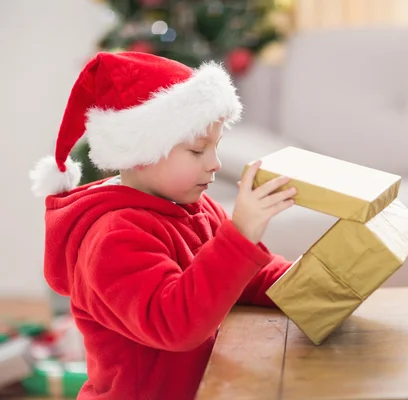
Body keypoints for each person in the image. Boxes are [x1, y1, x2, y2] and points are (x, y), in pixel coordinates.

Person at [29, 51, 296, 400]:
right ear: (140, 153)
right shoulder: (113, 238)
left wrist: (311, 286)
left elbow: (251, 278)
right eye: (198, 150)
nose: (215, 164)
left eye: (216, 147)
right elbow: (175, 324)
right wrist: (239, 235)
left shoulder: (198, 208)